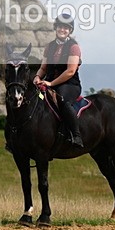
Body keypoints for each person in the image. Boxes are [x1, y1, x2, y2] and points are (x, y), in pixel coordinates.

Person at [33, 13, 84, 147]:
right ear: (56, 28)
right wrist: (37, 77)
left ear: (70, 31)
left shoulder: (74, 47)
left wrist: (51, 83)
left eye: (66, 28)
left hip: (69, 84)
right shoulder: (49, 47)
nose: (63, 30)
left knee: (63, 101)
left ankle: (76, 135)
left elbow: (70, 71)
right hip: (49, 82)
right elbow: (43, 68)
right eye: (60, 27)